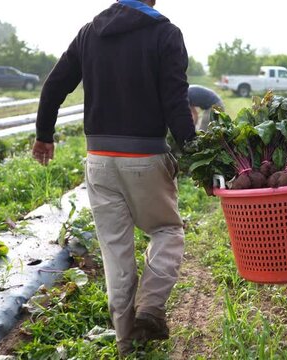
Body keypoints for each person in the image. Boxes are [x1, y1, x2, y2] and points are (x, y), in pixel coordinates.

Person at [31, 0, 196, 356]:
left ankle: (126, 344)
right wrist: (197, 154)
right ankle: (151, 305)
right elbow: (175, 103)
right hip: (146, 157)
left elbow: (54, 85)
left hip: (99, 159)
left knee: (116, 254)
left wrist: (44, 133)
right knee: (167, 230)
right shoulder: (165, 33)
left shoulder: (90, 32)